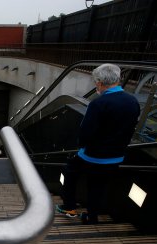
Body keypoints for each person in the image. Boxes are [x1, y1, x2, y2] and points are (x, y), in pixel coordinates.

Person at [56, 63, 140, 224]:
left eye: (96, 82)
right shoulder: (132, 101)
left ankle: (69, 207)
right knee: (98, 185)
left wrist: (82, 145)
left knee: (69, 172)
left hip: (93, 156)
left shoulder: (98, 104)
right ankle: (92, 215)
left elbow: (86, 132)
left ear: (100, 82)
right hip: (116, 156)